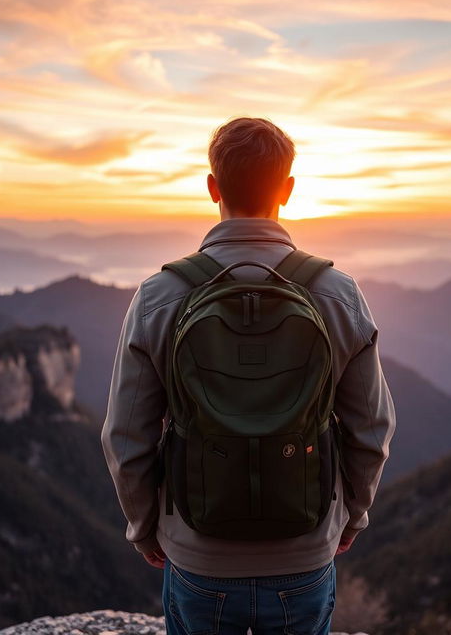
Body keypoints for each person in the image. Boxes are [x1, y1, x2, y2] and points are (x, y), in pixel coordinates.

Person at [101, 116, 396, 634]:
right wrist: (352, 516)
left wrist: (146, 529)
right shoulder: (337, 292)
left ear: (213, 187)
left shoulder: (159, 296)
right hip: (303, 553)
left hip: (198, 553)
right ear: (288, 189)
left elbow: (126, 438)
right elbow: (371, 429)